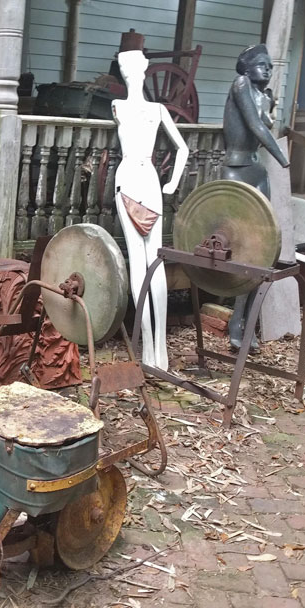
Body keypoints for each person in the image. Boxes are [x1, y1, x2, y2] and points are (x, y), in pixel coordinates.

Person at [112, 50, 189, 370]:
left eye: (131, 68)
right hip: (132, 180)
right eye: (125, 68)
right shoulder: (119, 106)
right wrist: (170, 182)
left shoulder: (155, 110)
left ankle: (159, 347)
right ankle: (149, 346)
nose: (129, 73)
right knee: (140, 264)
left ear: (142, 71)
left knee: (153, 263)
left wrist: (172, 183)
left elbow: (183, 148)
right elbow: (182, 148)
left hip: (145, 180)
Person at [221, 44, 291, 350]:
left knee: (261, 247)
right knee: (242, 246)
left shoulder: (264, 95)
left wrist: (270, 103)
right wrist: (283, 158)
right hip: (235, 169)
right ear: (247, 68)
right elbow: (254, 126)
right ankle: (235, 323)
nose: (268, 70)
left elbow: (266, 122)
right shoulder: (240, 85)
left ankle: (244, 321)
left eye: (271, 66)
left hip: (256, 169)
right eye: (263, 65)